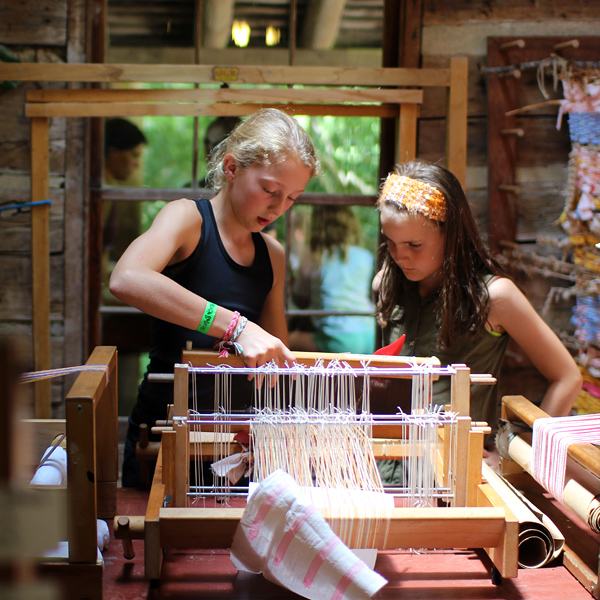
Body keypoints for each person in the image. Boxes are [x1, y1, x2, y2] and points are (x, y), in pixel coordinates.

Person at [109, 108, 320, 487]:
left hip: (238, 447)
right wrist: (236, 327)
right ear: (231, 167)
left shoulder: (273, 255)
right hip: (163, 436)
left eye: (292, 197)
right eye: (270, 190)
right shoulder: (187, 219)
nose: (278, 208)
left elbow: (276, 363)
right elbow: (126, 278)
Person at [373, 159, 582, 450]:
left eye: (414, 245)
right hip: (385, 463)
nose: (399, 256)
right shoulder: (385, 285)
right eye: (390, 242)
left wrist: (527, 458)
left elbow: (568, 378)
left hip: (462, 477)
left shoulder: (495, 297)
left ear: (451, 234)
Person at [289, 205, 376, 354]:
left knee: (284, 339)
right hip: (369, 335)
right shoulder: (365, 255)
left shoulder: (316, 256)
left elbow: (299, 297)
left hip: (337, 337)